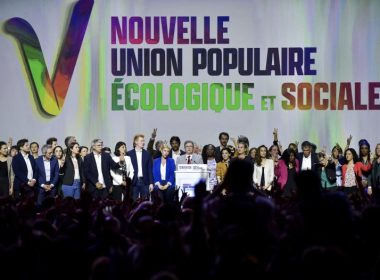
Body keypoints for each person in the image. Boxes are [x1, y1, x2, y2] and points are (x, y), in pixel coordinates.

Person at [127, 134, 153, 201]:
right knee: (133, 202)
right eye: (141, 141)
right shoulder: (129, 154)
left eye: (143, 141)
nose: (143, 143)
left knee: (145, 203)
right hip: (134, 182)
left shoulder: (147, 154)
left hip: (145, 182)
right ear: (136, 142)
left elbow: (149, 169)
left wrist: (151, 183)